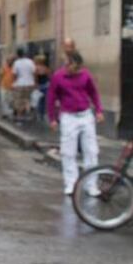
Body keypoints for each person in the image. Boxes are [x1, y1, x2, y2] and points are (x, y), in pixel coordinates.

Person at [47, 50, 104, 196]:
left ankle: (91, 185)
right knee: (68, 152)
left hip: (85, 115)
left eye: (74, 65)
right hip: (68, 116)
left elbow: (94, 92)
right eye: (68, 63)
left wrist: (99, 110)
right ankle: (71, 183)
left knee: (91, 151)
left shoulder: (85, 75)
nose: (72, 68)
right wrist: (52, 118)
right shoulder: (58, 76)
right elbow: (51, 97)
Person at [11, 48, 36, 121]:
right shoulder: (30, 62)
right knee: (27, 99)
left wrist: (13, 83)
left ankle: (19, 116)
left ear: (18, 55)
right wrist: (35, 83)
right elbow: (34, 73)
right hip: (30, 83)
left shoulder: (16, 63)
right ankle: (27, 113)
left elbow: (14, 75)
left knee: (19, 100)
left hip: (20, 84)